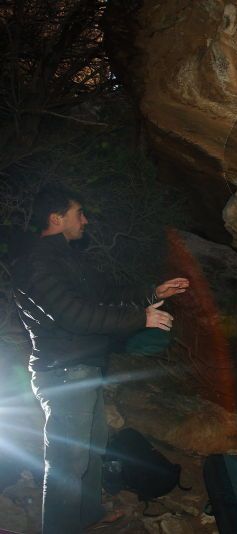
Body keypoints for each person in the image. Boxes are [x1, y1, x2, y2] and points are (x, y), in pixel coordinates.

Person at [11, 186, 190, 534]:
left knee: (90, 452)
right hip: (63, 374)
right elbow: (76, 315)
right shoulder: (37, 263)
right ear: (56, 218)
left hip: (83, 370)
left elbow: (105, 297)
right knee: (67, 463)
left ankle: (87, 517)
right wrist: (141, 318)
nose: (86, 220)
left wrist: (153, 293)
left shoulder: (66, 258)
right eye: (79, 213)